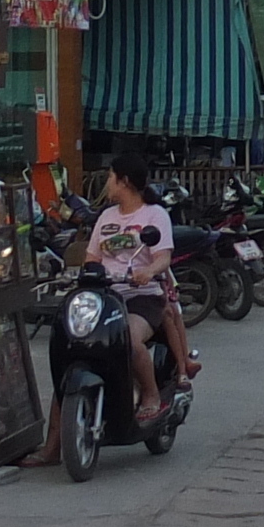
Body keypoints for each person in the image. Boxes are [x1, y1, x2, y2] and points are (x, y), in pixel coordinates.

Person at [83, 154, 197, 426]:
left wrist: (148, 272)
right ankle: (53, 443)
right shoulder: (106, 217)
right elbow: (92, 258)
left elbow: (162, 257)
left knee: (129, 340)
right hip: (106, 296)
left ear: (123, 181)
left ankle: (151, 395)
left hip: (142, 297)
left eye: (110, 177)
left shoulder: (154, 215)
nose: (107, 183)